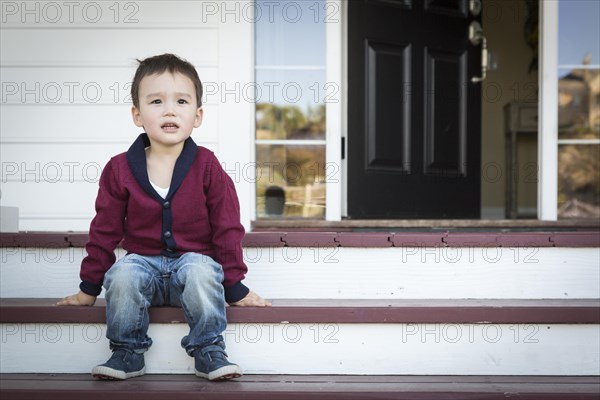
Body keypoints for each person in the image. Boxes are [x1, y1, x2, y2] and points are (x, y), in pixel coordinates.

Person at [58, 53, 271, 381]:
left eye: (182, 101)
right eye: (156, 101)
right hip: (143, 265)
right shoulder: (119, 168)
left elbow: (227, 227)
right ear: (137, 114)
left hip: (193, 263)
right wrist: (89, 287)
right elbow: (105, 229)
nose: (170, 110)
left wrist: (235, 286)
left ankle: (209, 350)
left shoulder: (208, 166)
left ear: (197, 116)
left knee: (201, 270)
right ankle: (127, 352)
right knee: (122, 275)